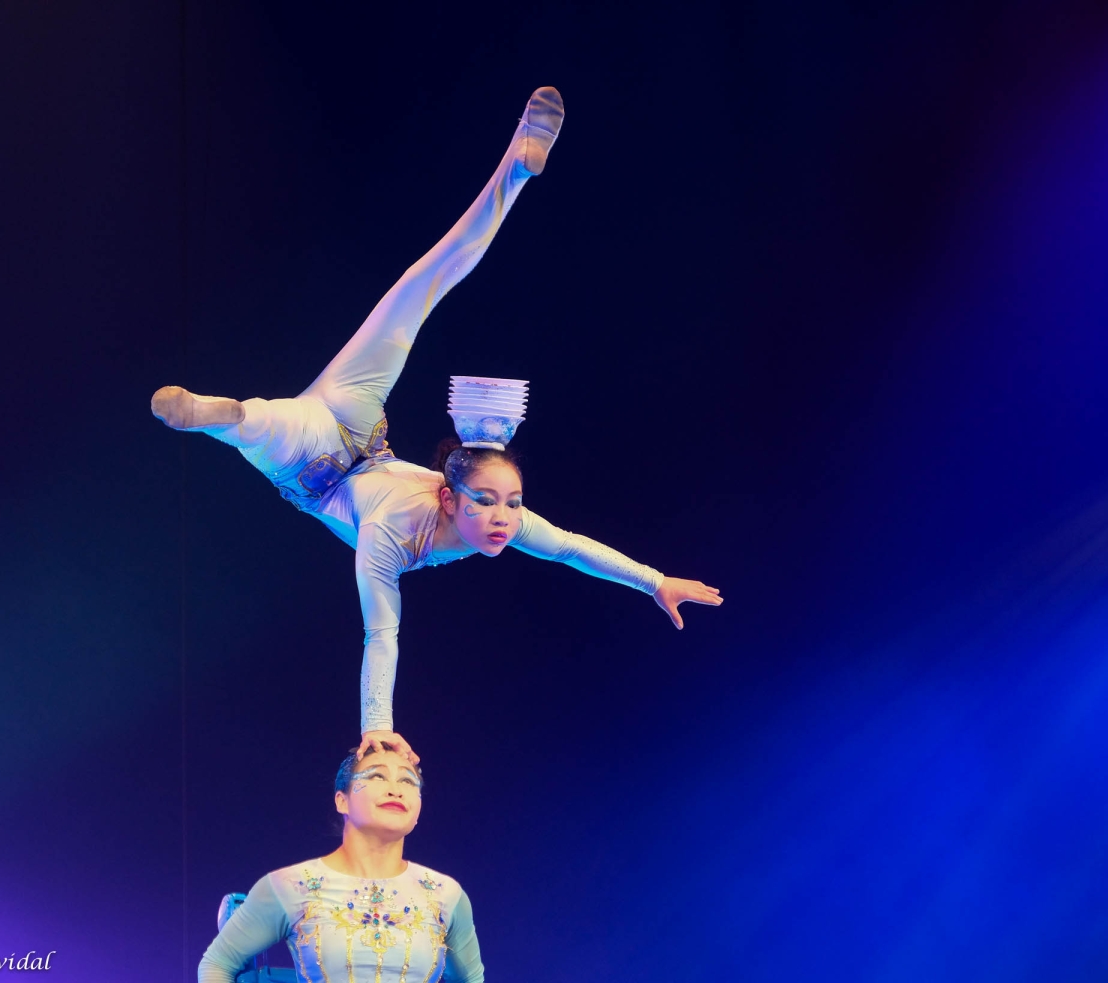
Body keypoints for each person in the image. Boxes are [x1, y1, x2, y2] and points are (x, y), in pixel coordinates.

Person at [152, 87, 723, 763]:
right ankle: (223, 415)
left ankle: (517, 164)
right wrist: (375, 727)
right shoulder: (406, 531)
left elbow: (567, 546)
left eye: (510, 501)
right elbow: (384, 633)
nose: (507, 517)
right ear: (451, 496)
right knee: (414, 295)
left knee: (307, 397)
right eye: (492, 500)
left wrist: (654, 580)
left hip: (328, 454)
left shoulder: (443, 531)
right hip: (349, 440)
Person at [197, 743, 482, 983]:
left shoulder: (446, 893)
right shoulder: (290, 886)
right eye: (377, 776)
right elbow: (216, 965)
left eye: (408, 781)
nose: (396, 789)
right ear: (341, 801)